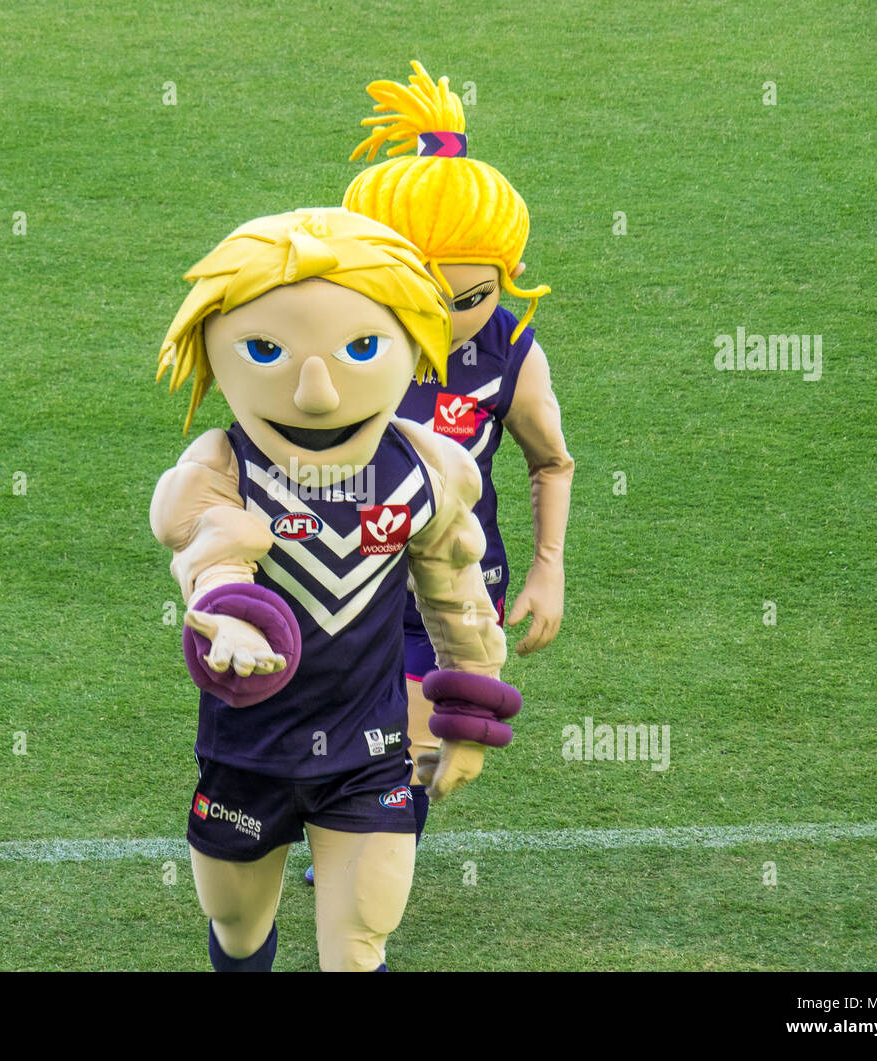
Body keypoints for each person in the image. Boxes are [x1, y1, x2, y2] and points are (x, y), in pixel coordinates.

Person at [151, 207, 522, 970]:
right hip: (247, 751)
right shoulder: (221, 467)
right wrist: (230, 618)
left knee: (359, 942)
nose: (317, 391)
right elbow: (212, 554)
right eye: (265, 348)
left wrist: (469, 710)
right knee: (238, 928)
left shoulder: (426, 468)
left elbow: (456, 594)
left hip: (370, 753)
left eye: (359, 347)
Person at [337, 60, 575, 849]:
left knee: (415, 741)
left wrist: (548, 566)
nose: (445, 320)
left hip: (450, 578)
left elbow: (551, 461)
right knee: (347, 731)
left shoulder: (510, 353)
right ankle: (362, 836)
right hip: (342, 568)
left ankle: (374, 859)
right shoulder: (344, 340)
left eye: (469, 298)